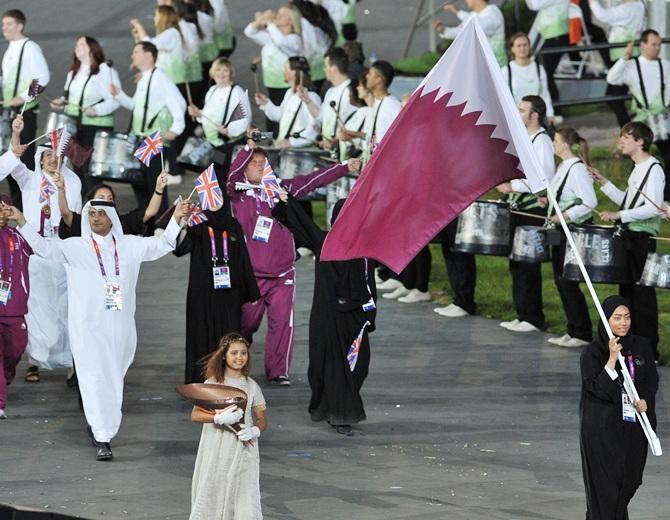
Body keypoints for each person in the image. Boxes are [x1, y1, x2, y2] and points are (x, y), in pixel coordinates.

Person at [2, 198, 192, 461]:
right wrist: (21, 220)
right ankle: (102, 435)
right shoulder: (76, 247)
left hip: (120, 330)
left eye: (102, 214)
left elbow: (162, 245)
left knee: (113, 379)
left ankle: (104, 426)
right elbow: (44, 248)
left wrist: (177, 218)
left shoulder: (129, 246)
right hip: (87, 329)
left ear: (112, 217)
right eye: (92, 214)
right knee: (92, 379)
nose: (96, 219)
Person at [227, 129, 360, 385]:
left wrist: (344, 167)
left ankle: (278, 371)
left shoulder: (282, 190)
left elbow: (313, 179)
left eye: (263, 163)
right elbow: (231, 176)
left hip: (283, 274)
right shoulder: (238, 193)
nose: (259, 167)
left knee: (283, 325)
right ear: (244, 168)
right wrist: (247, 148)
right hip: (251, 276)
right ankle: (233, 365)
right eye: (253, 164)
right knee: (244, 326)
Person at [273, 192, 375, 435]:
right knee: (341, 367)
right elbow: (298, 223)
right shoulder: (332, 244)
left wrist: (369, 314)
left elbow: (299, 223)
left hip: (345, 317)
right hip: (339, 317)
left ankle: (335, 409)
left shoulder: (350, 247)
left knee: (347, 366)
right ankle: (340, 414)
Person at [1, 117, 82, 382]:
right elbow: (13, 163)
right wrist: (16, 135)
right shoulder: (29, 180)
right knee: (36, 305)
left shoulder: (73, 182)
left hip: (62, 247)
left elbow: (75, 217)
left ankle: (73, 362)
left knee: (67, 304)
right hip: (34, 248)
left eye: (55, 156)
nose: (51, 160)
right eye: (46, 155)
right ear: (39, 158)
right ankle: (34, 360)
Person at [589, 122, 665, 359]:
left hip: (642, 238)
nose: (620, 142)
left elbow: (651, 208)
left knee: (642, 297)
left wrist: (619, 215)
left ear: (640, 141)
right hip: (631, 237)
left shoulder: (653, 169)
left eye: (625, 137)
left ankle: (649, 349)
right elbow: (629, 202)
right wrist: (604, 183)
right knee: (628, 294)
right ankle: (632, 347)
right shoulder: (638, 169)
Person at [580, 295, 658, 520]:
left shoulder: (641, 346)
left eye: (627, 317)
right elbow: (598, 389)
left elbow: (651, 381)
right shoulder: (593, 353)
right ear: (606, 320)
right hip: (602, 431)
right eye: (617, 318)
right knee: (606, 489)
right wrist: (612, 359)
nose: (623, 323)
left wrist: (645, 400)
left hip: (633, 427)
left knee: (631, 480)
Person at [174, 197, 260, 384]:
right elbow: (180, 249)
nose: (214, 203)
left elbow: (243, 258)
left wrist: (252, 292)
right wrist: (182, 225)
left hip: (230, 295)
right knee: (202, 335)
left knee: (228, 336)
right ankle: (201, 380)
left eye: (218, 198)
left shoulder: (234, 225)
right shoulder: (198, 224)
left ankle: (229, 380)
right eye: (210, 199)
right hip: (202, 295)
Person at [189, 333, 266, 519]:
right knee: (213, 486)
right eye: (234, 353)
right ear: (224, 355)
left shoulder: (252, 386)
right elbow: (195, 414)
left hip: (243, 448)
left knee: (244, 493)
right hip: (216, 445)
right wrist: (217, 418)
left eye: (243, 353)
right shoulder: (213, 383)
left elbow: (262, 419)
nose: (240, 357)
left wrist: (254, 430)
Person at [497, 95, 555, 333]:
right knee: (517, 263)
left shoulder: (541, 141)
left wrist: (514, 187)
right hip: (518, 207)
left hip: (531, 210)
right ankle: (523, 313)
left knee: (527, 264)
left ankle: (533, 317)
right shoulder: (525, 138)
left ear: (535, 115)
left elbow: (545, 179)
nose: (518, 113)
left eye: (522, 110)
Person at [114, 41, 186, 214]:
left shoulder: (160, 77)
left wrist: (176, 129)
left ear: (148, 55)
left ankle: (160, 221)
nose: (133, 55)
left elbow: (179, 102)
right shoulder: (145, 77)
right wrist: (119, 94)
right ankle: (147, 219)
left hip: (154, 139)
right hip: (143, 139)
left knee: (155, 183)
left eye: (136, 51)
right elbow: (136, 105)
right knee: (139, 180)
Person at [545, 128, 597, 347]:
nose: (553, 144)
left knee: (568, 281)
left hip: (572, 231)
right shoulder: (564, 167)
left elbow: (589, 202)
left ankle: (582, 333)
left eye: (556, 141)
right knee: (560, 280)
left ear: (566, 144)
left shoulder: (576, 169)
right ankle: (573, 328)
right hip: (559, 231)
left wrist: (564, 216)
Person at [49, 36, 120, 194]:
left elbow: (115, 100)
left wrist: (97, 110)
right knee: (78, 170)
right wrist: (61, 102)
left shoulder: (105, 70)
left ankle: (96, 205)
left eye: (82, 44)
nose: (77, 46)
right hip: (75, 127)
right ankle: (82, 209)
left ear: (92, 48)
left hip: (95, 129)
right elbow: (69, 98)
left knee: (90, 172)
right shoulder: (73, 72)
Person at [606, 29, 670, 199]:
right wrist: (623, 58)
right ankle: (637, 194)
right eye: (653, 44)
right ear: (642, 45)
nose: (657, 48)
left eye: (659, 44)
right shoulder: (632, 66)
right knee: (638, 158)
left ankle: (665, 196)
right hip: (643, 120)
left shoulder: (665, 64)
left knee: (669, 157)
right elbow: (611, 79)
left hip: (664, 119)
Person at [1, 8, 51, 207]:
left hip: (24, 113)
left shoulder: (29, 47)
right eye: (3, 24)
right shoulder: (11, 48)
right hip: (9, 113)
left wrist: (21, 98)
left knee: (22, 160)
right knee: (9, 158)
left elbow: (43, 77)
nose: (4, 28)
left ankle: (26, 207)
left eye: (9, 24)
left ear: (20, 25)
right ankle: (18, 204)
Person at [187, 58, 252, 178]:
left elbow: (245, 119)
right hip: (213, 144)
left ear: (231, 73)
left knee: (226, 178)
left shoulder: (237, 92)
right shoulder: (212, 90)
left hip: (228, 145)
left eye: (225, 70)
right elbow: (210, 115)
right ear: (212, 72)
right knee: (216, 178)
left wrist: (229, 130)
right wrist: (199, 114)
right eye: (218, 69)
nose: (221, 73)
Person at [243, 5, 303, 133]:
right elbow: (249, 32)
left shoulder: (294, 39)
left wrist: (270, 23)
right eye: (278, 13)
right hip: (271, 84)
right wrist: (260, 21)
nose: (278, 16)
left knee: (284, 116)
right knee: (270, 116)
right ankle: (272, 142)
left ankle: (282, 141)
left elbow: (282, 42)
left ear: (291, 20)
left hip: (286, 86)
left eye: (283, 15)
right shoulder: (272, 36)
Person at [57, 174, 168, 239]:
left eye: (110, 198)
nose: (105, 202)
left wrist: (158, 189)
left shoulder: (122, 223)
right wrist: (61, 189)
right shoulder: (81, 223)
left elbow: (150, 212)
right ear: (90, 202)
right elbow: (66, 213)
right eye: (101, 198)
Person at [589, 0, 646, 128]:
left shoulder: (629, 8)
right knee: (613, 96)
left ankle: (630, 131)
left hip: (625, 57)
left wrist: (592, 2)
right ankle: (631, 127)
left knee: (614, 97)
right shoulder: (637, 6)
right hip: (626, 56)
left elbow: (603, 15)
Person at [0, 193, 31, 419]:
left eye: (5, 208)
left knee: (16, 350)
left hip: (14, 307)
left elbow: (41, 245)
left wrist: (21, 220)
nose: (2, 213)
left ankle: (4, 379)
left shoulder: (19, 236)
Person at [256, 55, 321, 149]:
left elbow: (314, 129)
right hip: (284, 150)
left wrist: (291, 142)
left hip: (299, 154)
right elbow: (281, 116)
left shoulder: (311, 97)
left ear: (294, 72)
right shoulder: (289, 93)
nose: (283, 71)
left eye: (286, 68)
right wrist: (265, 103)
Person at [433, 0, 506, 66]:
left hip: (497, 67)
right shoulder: (472, 15)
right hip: (480, 67)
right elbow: (460, 32)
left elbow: (481, 26)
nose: (466, 1)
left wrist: (458, 12)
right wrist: (444, 30)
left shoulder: (493, 11)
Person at [500, 33, 555, 122]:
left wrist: (550, 114)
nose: (522, 48)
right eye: (518, 46)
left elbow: (544, 94)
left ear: (529, 47)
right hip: (516, 120)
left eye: (525, 45)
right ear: (512, 49)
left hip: (536, 119)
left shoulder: (539, 68)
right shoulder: (505, 71)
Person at [525, 0, 570, 107]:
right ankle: (549, 107)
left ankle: (554, 108)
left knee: (544, 71)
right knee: (542, 71)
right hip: (552, 36)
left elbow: (535, 5)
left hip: (557, 36)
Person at [291, 0, 337, 90]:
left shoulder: (306, 27)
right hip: (318, 70)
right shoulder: (313, 25)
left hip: (314, 71)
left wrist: (302, 61)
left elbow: (313, 48)